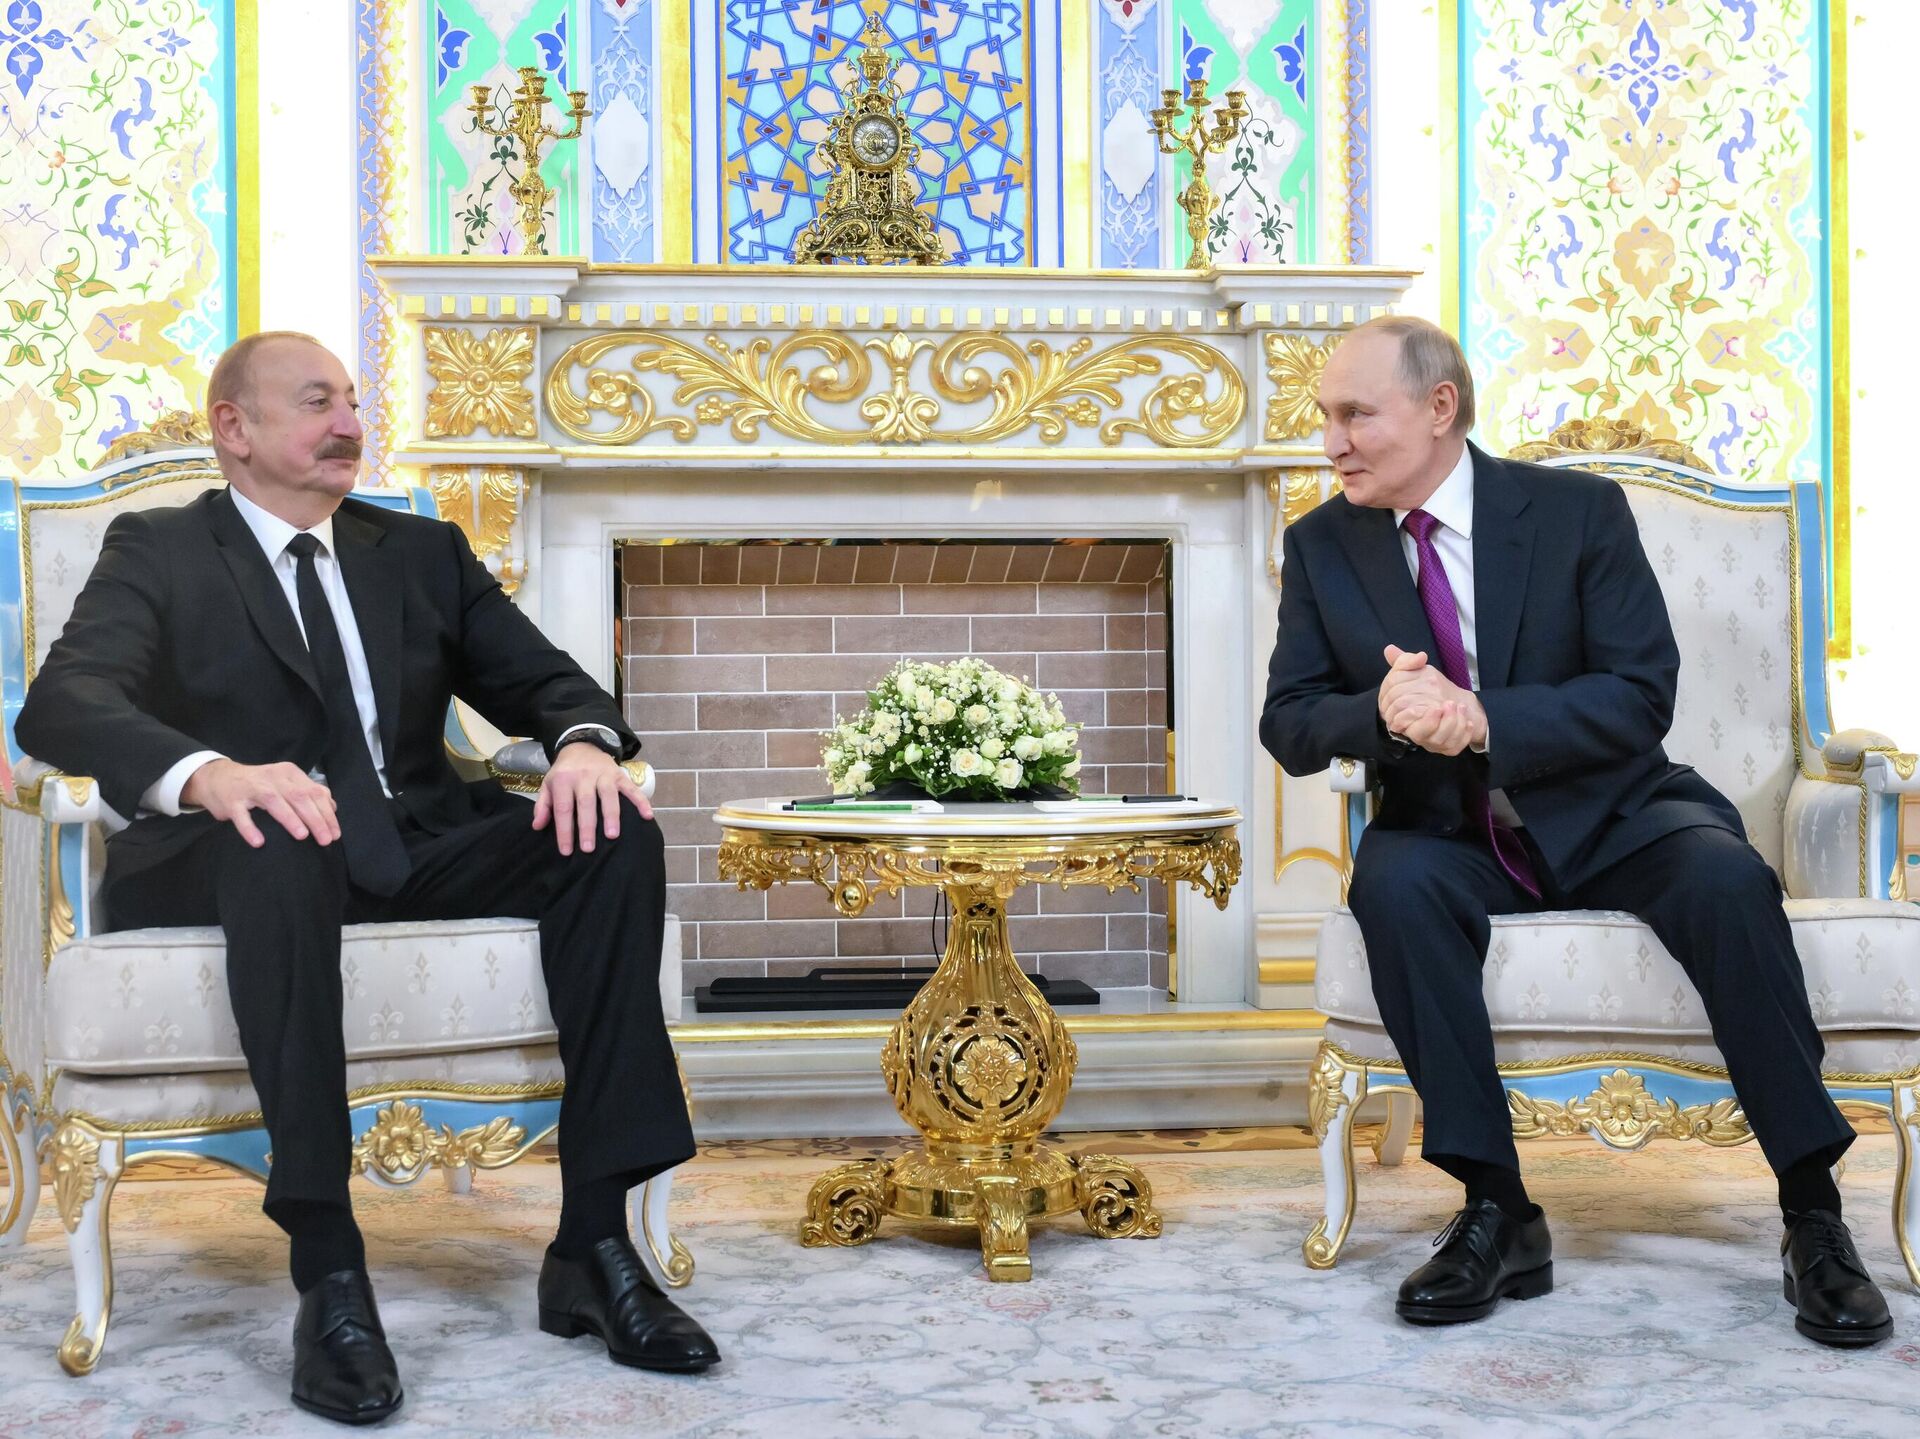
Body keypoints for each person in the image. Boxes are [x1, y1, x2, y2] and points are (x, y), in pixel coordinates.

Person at [18, 332, 721, 1425]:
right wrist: (212, 774)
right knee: (285, 832)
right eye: (317, 402)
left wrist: (584, 746)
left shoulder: (420, 550)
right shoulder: (160, 547)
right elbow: (64, 702)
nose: (350, 423)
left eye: (352, 401)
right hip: (231, 853)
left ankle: (593, 1244)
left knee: (612, 829)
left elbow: (551, 681)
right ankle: (330, 1272)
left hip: (412, 839)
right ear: (235, 428)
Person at [1260, 315, 1892, 1347]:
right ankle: (1498, 1210)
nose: (1331, 441)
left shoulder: (1576, 512)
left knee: (1728, 881)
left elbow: (1640, 693)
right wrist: (1381, 710)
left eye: (1354, 415)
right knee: (1392, 883)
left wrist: (1484, 718)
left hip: (1616, 811)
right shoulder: (1323, 542)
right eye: (1326, 417)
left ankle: (1813, 1214)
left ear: (1439, 407)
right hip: (1449, 827)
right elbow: (1288, 721)